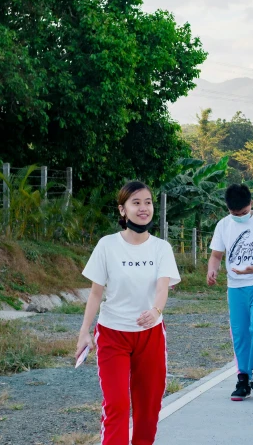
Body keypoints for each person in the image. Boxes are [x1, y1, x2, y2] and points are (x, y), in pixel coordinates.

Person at [76, 181, 180, 445]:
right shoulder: (107, 245)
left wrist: (156, 311)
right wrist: (84, 332)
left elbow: (162, 287)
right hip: (113, 335)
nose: (143, 208)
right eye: (136, 203)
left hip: (150, 336)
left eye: (148, 202)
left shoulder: (161, 248)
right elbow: (96, 293)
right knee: (118, 405)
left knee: (148, 408)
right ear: (123, 210)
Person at [208, 184, 253, 401]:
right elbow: (216, 255)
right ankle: (243, 378)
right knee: (239, 333)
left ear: (251, 204)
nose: (239, 217)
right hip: (235, 287)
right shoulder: (223, 225)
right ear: (228, 209)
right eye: (234, 213)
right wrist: (212, 270)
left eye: (243, 213)